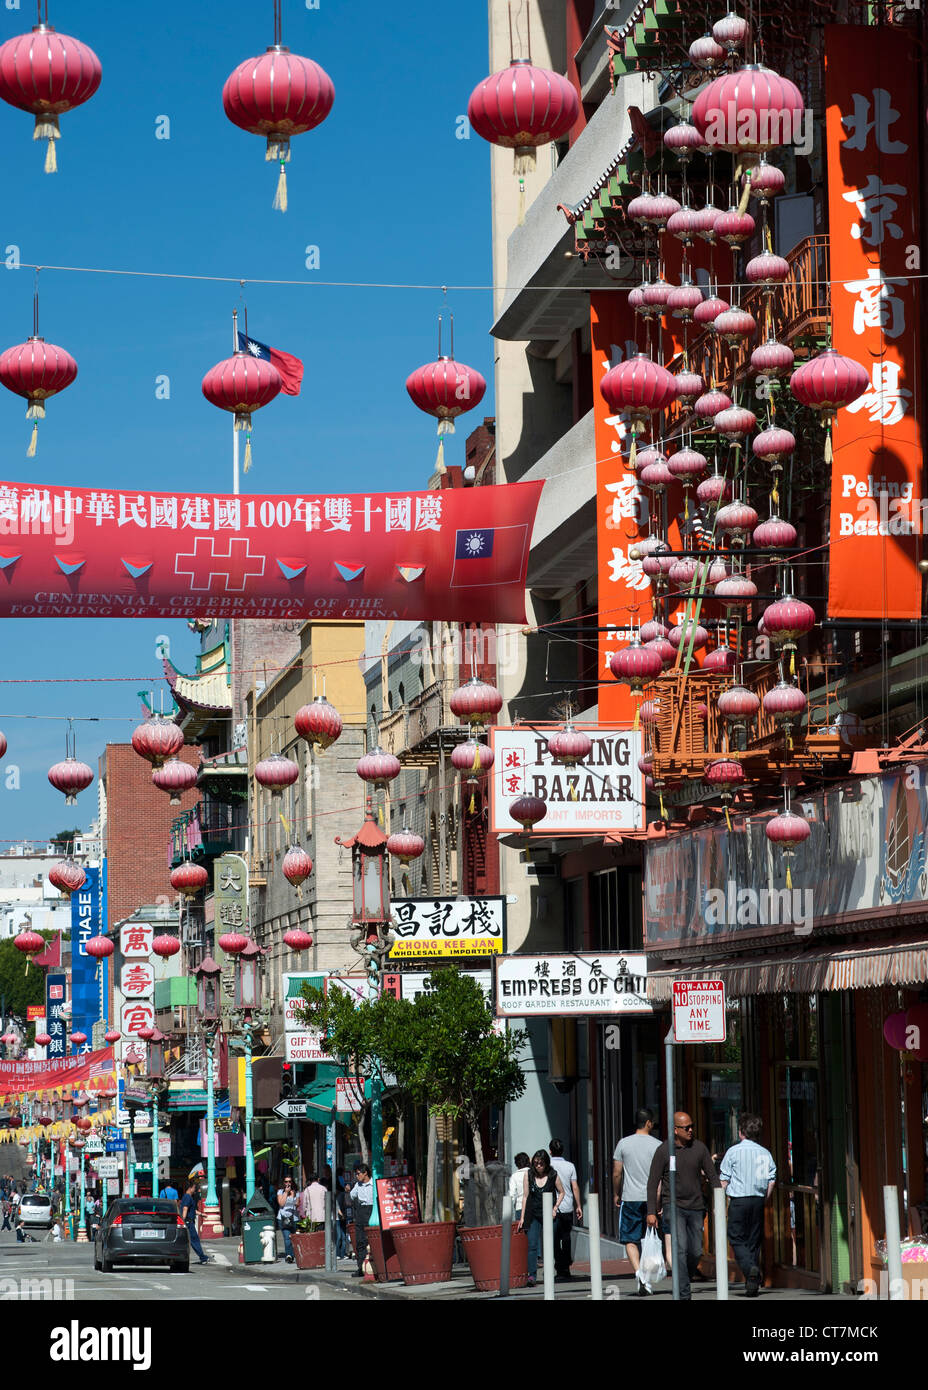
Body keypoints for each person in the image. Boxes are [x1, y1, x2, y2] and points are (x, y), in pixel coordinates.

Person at [647, 1111, 720, 1301]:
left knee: (695, 1250)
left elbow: (713, 1177)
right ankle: (684, 1293)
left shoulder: (699, 1148)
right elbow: (652, 1182)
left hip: (696, 1206)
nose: (690, 1130)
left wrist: (719, 1202)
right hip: (673, 1206)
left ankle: (683, 1279)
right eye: (686, 1127)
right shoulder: (664, 1150)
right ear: (675, 1129)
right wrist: (651, 1212)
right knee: (680, 1248)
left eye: (691, 1126)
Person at [719, 1113, 777, 1298]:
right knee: (753, 1240)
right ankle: (752, 1283)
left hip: (739, 1200)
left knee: (736, 1238)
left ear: (741, 1132)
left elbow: (724, 1180)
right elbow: (771, 1179)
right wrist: (764, 1198)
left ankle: (750, 1268)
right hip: (758, 1200)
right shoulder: (764, 1152)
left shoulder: (734, 1152)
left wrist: (719, 1204)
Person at [613, 1108, 662, 1295]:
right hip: (651, 1199)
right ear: (649, 1123)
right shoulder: (658, 1145)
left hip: (630, 1197)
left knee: (630, 1239)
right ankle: (647, 1276)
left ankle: (639, 1273)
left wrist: (617, 1193)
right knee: (650, 1239)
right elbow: (661, 1176)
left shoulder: (623, 1144)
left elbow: (617, 1173)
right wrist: (658, 1201)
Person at [517, 1150, 565, 1288]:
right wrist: (522, 1217)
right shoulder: (529, 1175)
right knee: (532, 1245)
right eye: (536, 1163)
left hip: (549, 1214)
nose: (538, 1166)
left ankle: (551, 1271)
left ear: (546, 1163)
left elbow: (562, 1192)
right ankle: (531, 1275)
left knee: (550, 1244)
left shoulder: (552, 1175)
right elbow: (525, 1196)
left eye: (541, 1163)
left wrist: (555, 1207)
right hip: (533, 1215)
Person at [548, 1138, 582, 1282]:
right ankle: (566, 1266)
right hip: (567, 1206)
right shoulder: (570, 1166)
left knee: (553, 1239)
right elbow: (575, 1186)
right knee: (566, 1237)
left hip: (552, 1207)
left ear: (550, 1151)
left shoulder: (547, 1165)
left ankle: (559, 1265)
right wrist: (578, 1205)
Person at [349, 1165, 373, 1278]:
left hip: (372, 1210)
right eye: (356, 1174)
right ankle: (362, 1267)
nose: (357, 1176)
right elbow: (352, 1195)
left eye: (358, 1173)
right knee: (360, 1241)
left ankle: (374, 1267)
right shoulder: (357, 1186)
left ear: (365, 1173)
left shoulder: (374, 1184)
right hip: (361, 1211)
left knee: (373, 1240)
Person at [181, 1181, 211, 1266]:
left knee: (190, 1241)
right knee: (194, 1240)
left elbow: (191, 1210)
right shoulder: (188, 1197)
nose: (195, 1189)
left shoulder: (186, 1197)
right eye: (194, 1187)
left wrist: (202, 1214)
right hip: (188, 1222)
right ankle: (203, 1257)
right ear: (190, 1188)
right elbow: (185, 1209)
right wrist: (183, 1220)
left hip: (187, 1221)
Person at [276, 1176, 298, 1262]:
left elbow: (297, 1204)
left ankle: (294, 1254)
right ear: (283, 1183)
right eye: (286, 1182)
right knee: (287, 1237)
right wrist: (286, 1192)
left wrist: (293, 1196)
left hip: (294, 1218)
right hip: (283, 1217)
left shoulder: (296, 1192)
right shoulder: (280, 1192)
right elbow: (281, 1203)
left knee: (294, 1237)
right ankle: (289, 1255)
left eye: (289, 1181)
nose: (288, 1183)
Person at [508, 1153, 530, 1223]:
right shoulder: (533, 1173)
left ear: (517, 1164)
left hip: (520, 1207)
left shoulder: (514, 1176)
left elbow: (511, 1195)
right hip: (533, 1207)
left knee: (521, 1232)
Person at [334, 1169, 349, 1259]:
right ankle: (339, 1254)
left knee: (342, 1236)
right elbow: (337, 1207)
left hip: (341, 1217)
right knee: (340, 1236)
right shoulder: (338, 1196)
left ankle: (342, 1254)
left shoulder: (342, 1195)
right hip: (339, 1217)